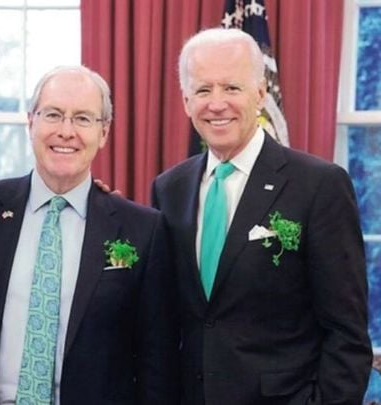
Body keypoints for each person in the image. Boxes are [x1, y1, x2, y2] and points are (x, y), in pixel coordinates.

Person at [151, 27, 372, 404]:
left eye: (231, 88)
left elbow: (347, 334)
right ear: (186, 100)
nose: (216, 104)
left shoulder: (319, 186)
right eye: (203, 90)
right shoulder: (169, 189)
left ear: (260, 94)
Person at [0, 66, 179, 404]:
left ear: (104, 133)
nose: (66, 131)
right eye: (54, 115)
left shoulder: (143, 231)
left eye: (83, 119)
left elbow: (156, 361)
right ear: (31, 122)